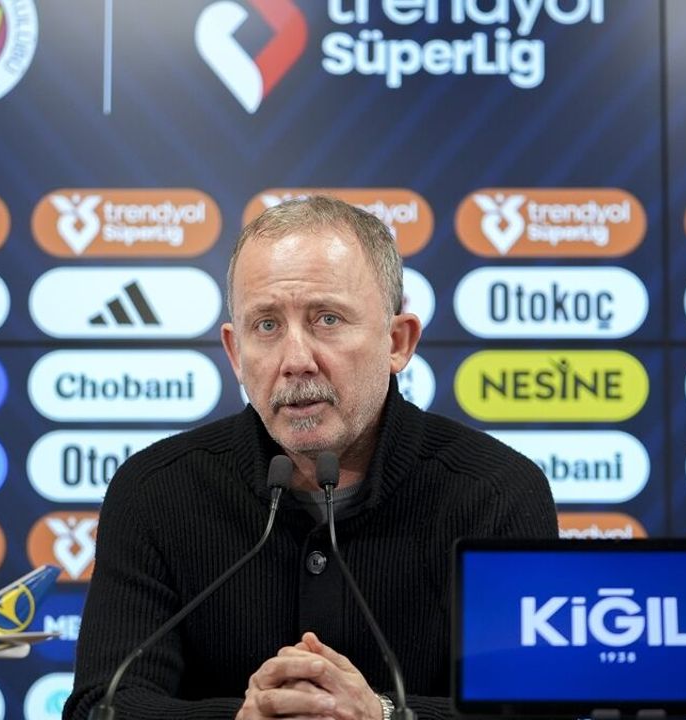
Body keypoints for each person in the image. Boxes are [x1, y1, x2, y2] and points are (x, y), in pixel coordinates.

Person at [64, 196, 557, 719]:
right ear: (235, 353)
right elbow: (102, 706)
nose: (296, 361)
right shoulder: (155, 491)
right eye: (267, 326)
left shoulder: (497, 492)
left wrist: (383, 715)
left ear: (398, 342)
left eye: (327, 319)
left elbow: (534, 709)